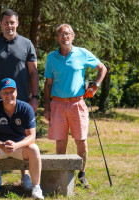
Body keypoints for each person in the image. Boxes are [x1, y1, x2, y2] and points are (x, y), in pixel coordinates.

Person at [0, 8, 39, 192]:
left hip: (21, 100)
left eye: (12, 22)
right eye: (6, 22)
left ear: (17, 23)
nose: (9, 25)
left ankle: (25, 176)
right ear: (1, 24)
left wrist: (35, 97)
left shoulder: (27, 44)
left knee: (22, 138)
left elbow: (33, 72)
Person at [43, 24, 107, 188]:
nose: (64, 36)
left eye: (67, 33)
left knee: (81, 141)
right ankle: (61, 175)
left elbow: (102, 68)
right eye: (61, 34)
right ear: (57, 38)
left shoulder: (83, 53)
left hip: (77, 103)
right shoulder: (51, 57)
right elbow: (48, 83)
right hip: (57, 103)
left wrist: (96, 86)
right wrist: (47, 107)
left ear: (73, 36)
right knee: (60, 142)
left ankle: (81, 174)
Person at [0, 78, 44, 200]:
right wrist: (1, 145)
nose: (9, 95)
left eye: (11, 91)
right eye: (5, 92)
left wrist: (16, 145)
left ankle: (36, 188)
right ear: (0, 94)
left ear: (16, 92)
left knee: (34, 148)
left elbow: (32, 136)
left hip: (19, 148)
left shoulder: (26, 108)